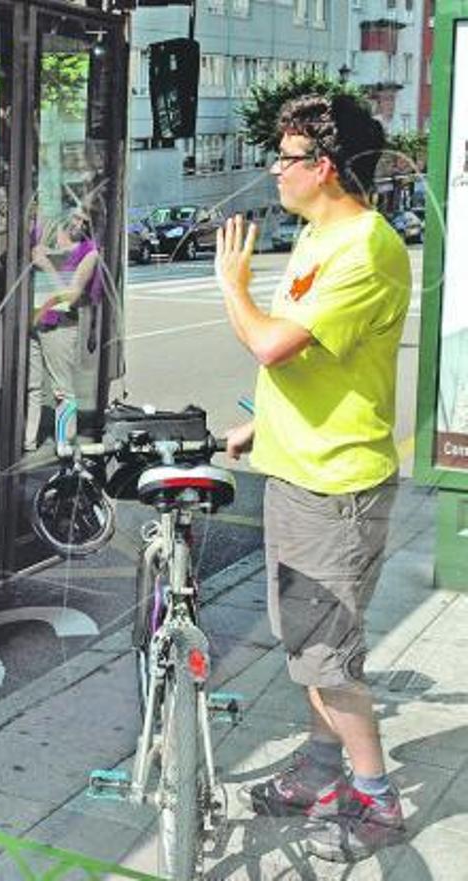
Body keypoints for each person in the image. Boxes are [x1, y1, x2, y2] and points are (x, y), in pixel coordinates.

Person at [215, 94, 410, 863]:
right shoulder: (319, 235)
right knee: (308, 648)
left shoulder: (364, 247)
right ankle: (322, 768)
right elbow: (326, 359)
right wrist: (264, 424)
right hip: (299, 473)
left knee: (329, 660)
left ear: (322, 167)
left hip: (336, 490)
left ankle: (377, 797)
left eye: (286, 156)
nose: (275, 169)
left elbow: (271, 344)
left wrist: (232, 282)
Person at [24, 211, 100, 452]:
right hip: (34, 318)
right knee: (32, 386)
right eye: (74, 216)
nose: (77, 223)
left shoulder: (89, 252)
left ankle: (64, 444)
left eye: (84, 219)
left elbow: (71, 296)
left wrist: (46, 265)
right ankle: (27, 441)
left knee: (62, 390)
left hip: (60, 323)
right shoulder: (48, 235)